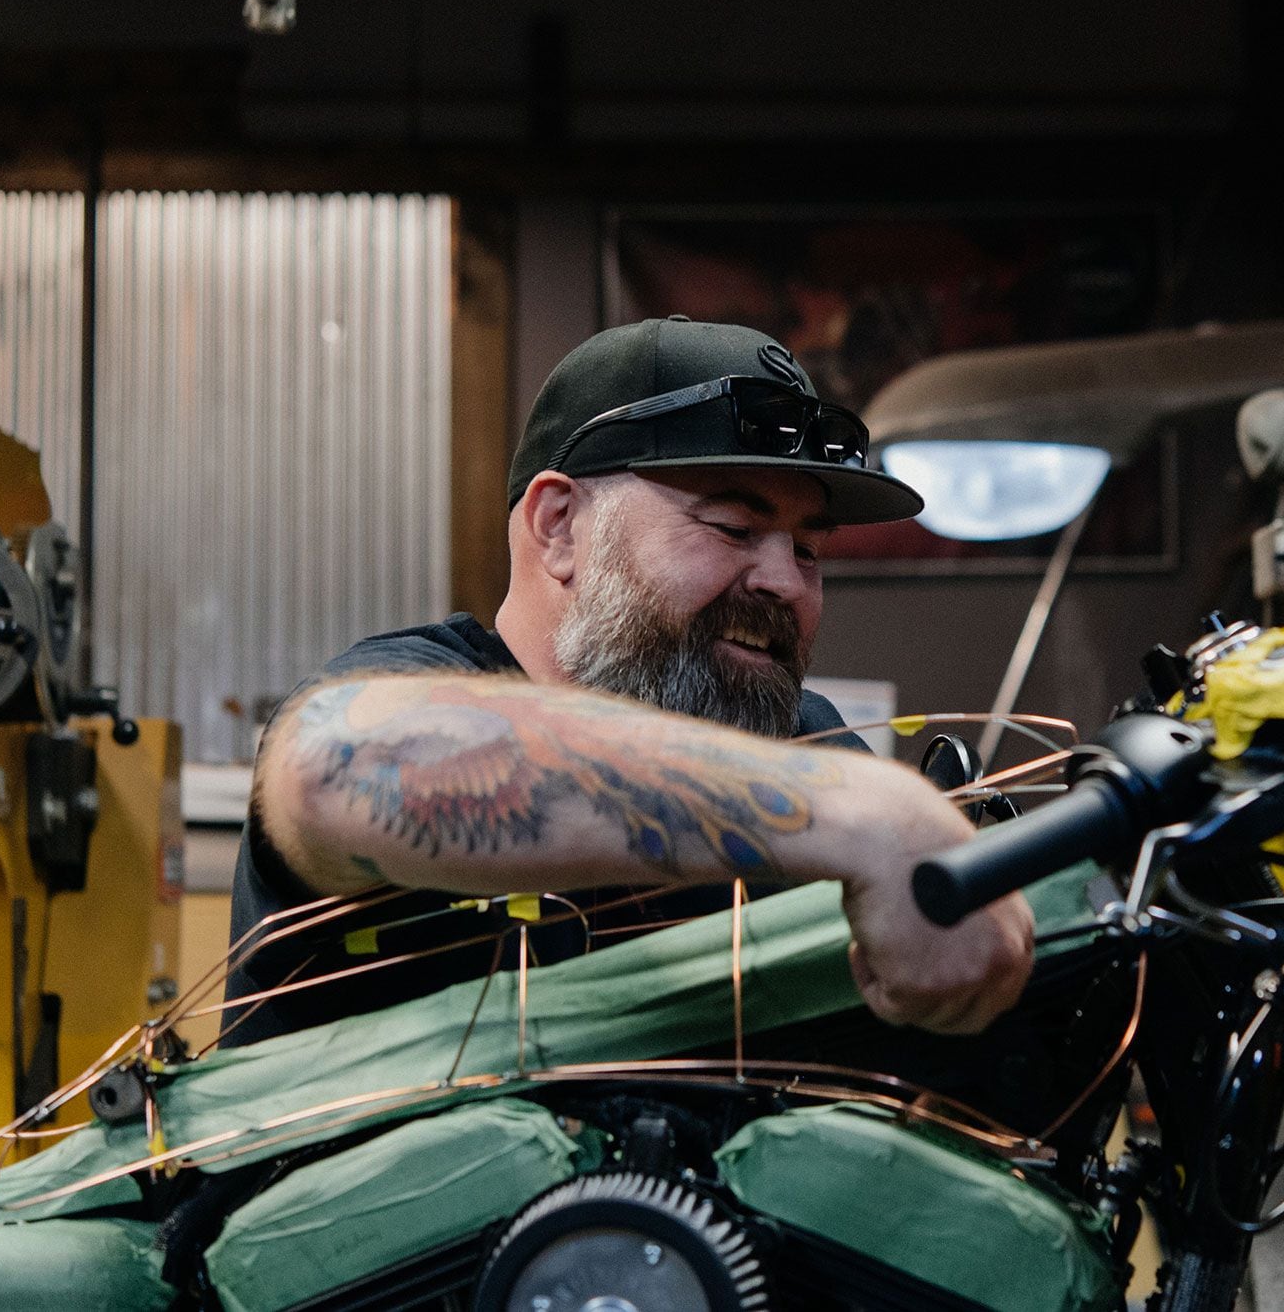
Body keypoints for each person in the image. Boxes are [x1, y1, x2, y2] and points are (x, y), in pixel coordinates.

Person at [224, 316, 1035, 1047]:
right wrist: (865, 815)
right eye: (735, 527)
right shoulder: (414, 681)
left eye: (808, 549)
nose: (785, 582)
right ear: (560, 527)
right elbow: (332, 765)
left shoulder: (805, 737)